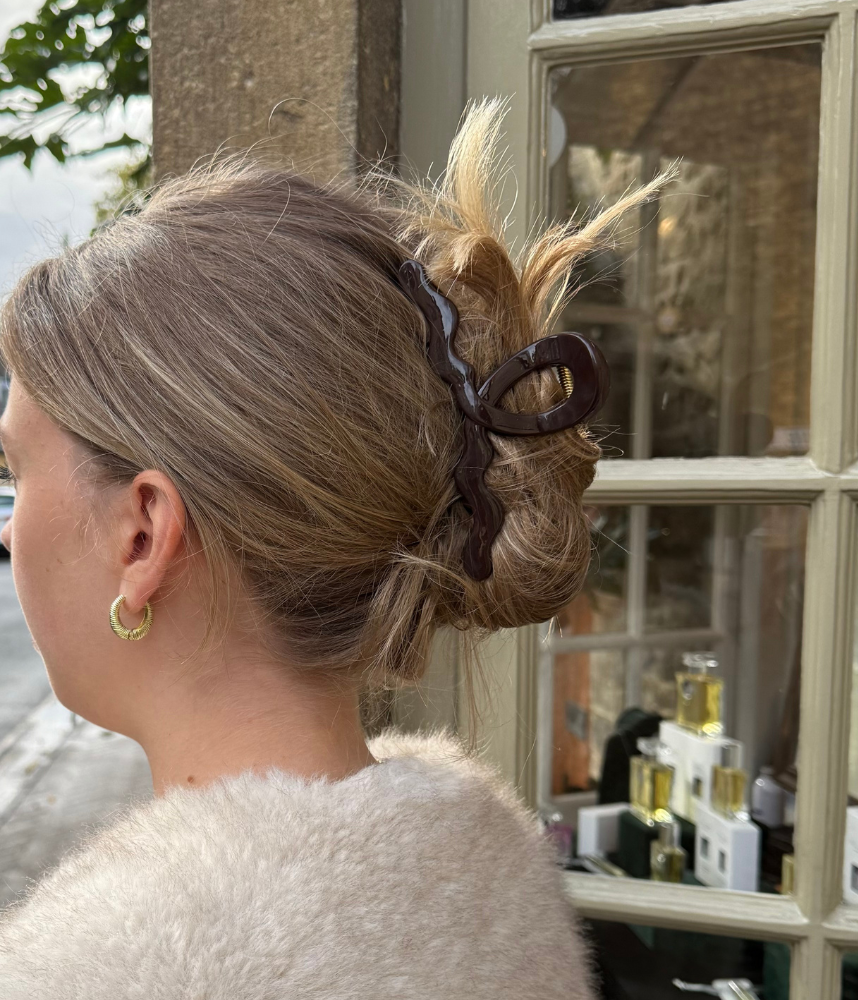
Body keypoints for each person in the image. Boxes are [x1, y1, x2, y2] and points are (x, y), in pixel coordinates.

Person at [0, 101, 667, 997]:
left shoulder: (106, 973)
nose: (10, 525)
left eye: (16, 471)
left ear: (143, 533)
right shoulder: (480, 884)